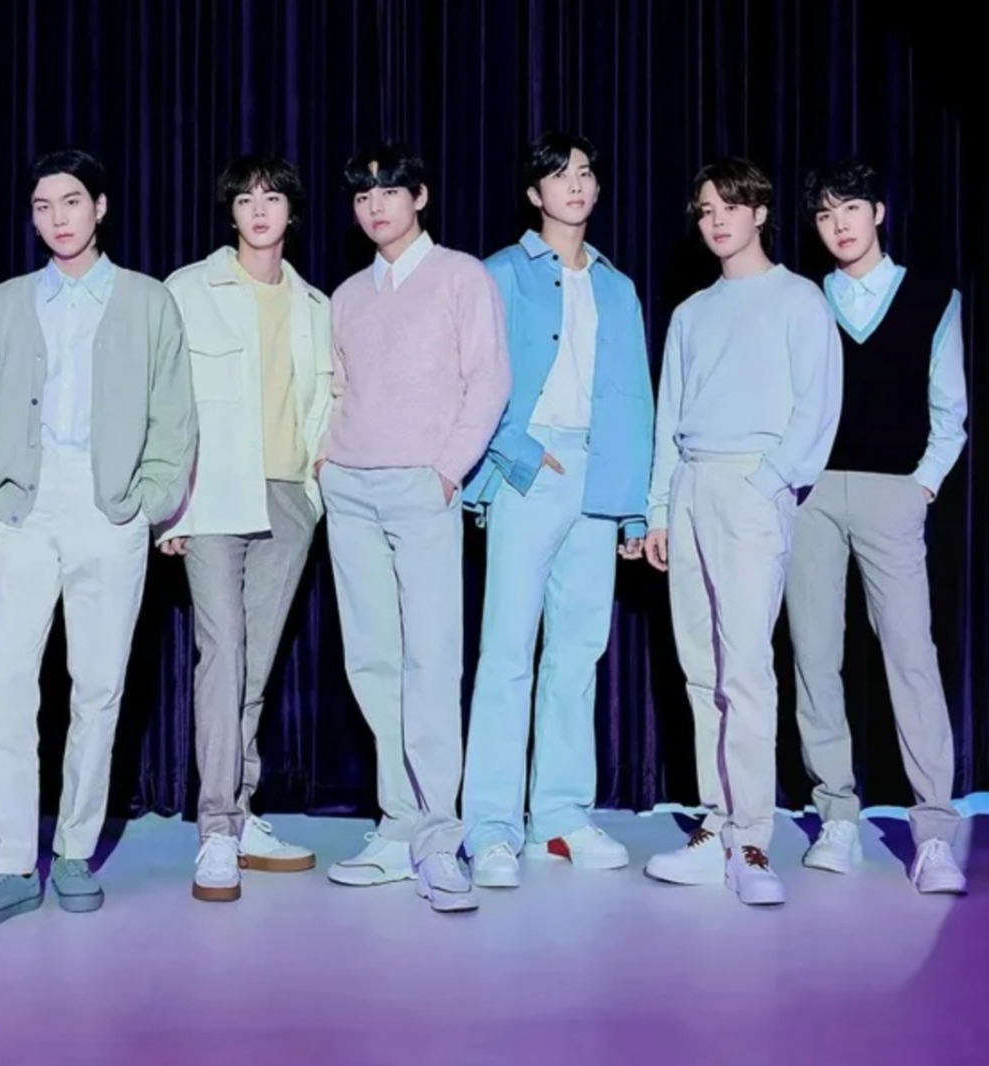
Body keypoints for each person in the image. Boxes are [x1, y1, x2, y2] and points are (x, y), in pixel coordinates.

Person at [0, 148, 197, 929]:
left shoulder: (148, 301)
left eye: (70, 202)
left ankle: (74, 853)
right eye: (41, 206)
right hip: (22, 508)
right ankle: (9, 864)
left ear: (100, 207)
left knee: (97, 687)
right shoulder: (7, 304)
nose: (56, 218)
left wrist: (147, 504)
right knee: (9, 687)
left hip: (107, 506)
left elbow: (175, 417)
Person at [640, 156, 843, 907]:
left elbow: (817, 408)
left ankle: (752, 839)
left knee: (746, 667)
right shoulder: (692, 313)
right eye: (705, 209)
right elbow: (668, 417)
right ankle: (715, 825)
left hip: (754, 486)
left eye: (730, 205)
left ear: (760, 212)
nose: (717, 219)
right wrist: (661, 509)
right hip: (691, 483)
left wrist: (769, 483)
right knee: (701, 668)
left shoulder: (799, 300)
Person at [317, 142, 511, 913]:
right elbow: (337, 387)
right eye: (362, 195)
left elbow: (489, 380)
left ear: (420, 197)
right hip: (350, 486)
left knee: (431, 660)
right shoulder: (347, 295)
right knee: (372, 661)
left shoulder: (462, 277)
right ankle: (398, 827)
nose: (375, 206)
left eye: (390, 191)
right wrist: (327, 461)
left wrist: (446, 470)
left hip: (421, 487)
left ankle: (439, 839)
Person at [459, 132, 654, 888]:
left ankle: (561, 818)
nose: (575, 184)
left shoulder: (618, 287)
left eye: (585, 173)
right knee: (507, 652)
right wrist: (517, 451)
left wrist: (632, 508)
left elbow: (634, 397)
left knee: (578, 653)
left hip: (599, 477)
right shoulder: (499, 273)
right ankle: (491, 827)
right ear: (534, 194)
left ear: (597, 189)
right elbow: (470, 376)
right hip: (529, 471)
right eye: (559, 174)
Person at [787, 159, 969, 894]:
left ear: (878, 212)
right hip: (812, 497)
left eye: (851, 208)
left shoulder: (932, 297)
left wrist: (921, 486)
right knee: (814, 656)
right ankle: (836, 815)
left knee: (910, 657)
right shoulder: (804, 301)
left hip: (894, 493)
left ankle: (934, 835)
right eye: (825, 214)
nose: (839, 225)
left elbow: (950, 410)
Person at [157, 153, 333, 902]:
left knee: (254, 664)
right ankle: (216, 829)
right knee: (221, 653)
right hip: (212, 496)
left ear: (293, 212)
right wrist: (169, 507)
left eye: (272, 198)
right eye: (245, 200)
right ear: (229, 213)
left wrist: (315, 496)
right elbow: (164, 403)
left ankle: (242, 807)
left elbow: (325, 406)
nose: (259, 211)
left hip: (289, 495)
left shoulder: (316, 305)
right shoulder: (188, 290)